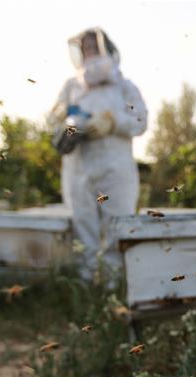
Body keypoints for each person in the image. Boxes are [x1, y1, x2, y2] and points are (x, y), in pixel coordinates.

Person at [50, 28, 147, 279]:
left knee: (118, 227)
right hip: (78, 168)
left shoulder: (124, 87)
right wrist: (65, 125)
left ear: (107, 48)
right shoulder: (71, 86)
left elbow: (140, 120)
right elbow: (53, 120)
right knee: (83, 230)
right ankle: (87, 289)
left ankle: (115, 289)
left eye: (94, 46)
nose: (89, 51)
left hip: (116, 168)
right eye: (85, 48)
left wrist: (114, 122)